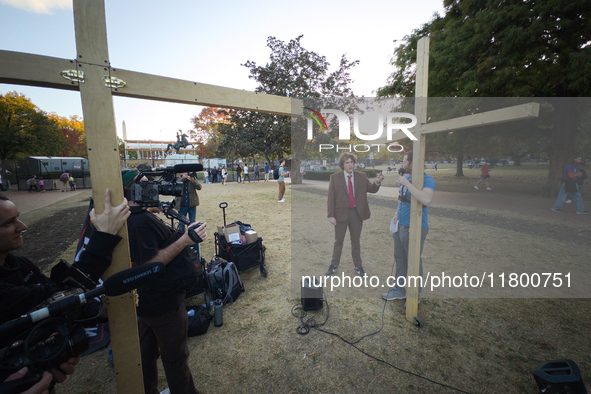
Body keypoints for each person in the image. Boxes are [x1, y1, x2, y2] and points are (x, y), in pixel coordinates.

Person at [0, 189, 130, 390]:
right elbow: (59, 298)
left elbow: (58, 299)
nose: (22, 226)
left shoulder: (17, 264)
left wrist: (101, 311)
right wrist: (103, 238)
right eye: (9, 223)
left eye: (18, 218)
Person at [122, 170, 206, 394]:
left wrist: (148, 209)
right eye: (144, 185)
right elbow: (149, 265)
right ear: (130, 190)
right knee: (175, 359)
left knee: (145, 357)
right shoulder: (138, 222)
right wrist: (186, 239)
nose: (153, 188)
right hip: (163, 303)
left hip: (148, 301)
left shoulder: (134, 216)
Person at [382, 150, 436, 301]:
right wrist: (396, 213)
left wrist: (407, 183)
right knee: (399, 258)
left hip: (416, 227)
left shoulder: (427, 180)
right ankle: (399, 290)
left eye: (405, 161)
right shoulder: (406, 177)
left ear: (413, 164)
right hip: (400, 225)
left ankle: (414, 295)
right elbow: (402, 199)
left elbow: (425, 199)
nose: (402, 164)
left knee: (413, 261)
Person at [325, 152, 384, 278]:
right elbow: (331, 197)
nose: (350, 165)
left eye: (351, 162)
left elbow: (371, 189)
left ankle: (358, 266)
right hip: (340, 214)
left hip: (356, 214)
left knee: (355, 241)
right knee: (338, 241)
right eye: (347, 162)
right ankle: (334, 265)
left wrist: (377, 182)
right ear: (342, 164)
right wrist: (331, 215)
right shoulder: (335, 177)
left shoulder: (361, 176)